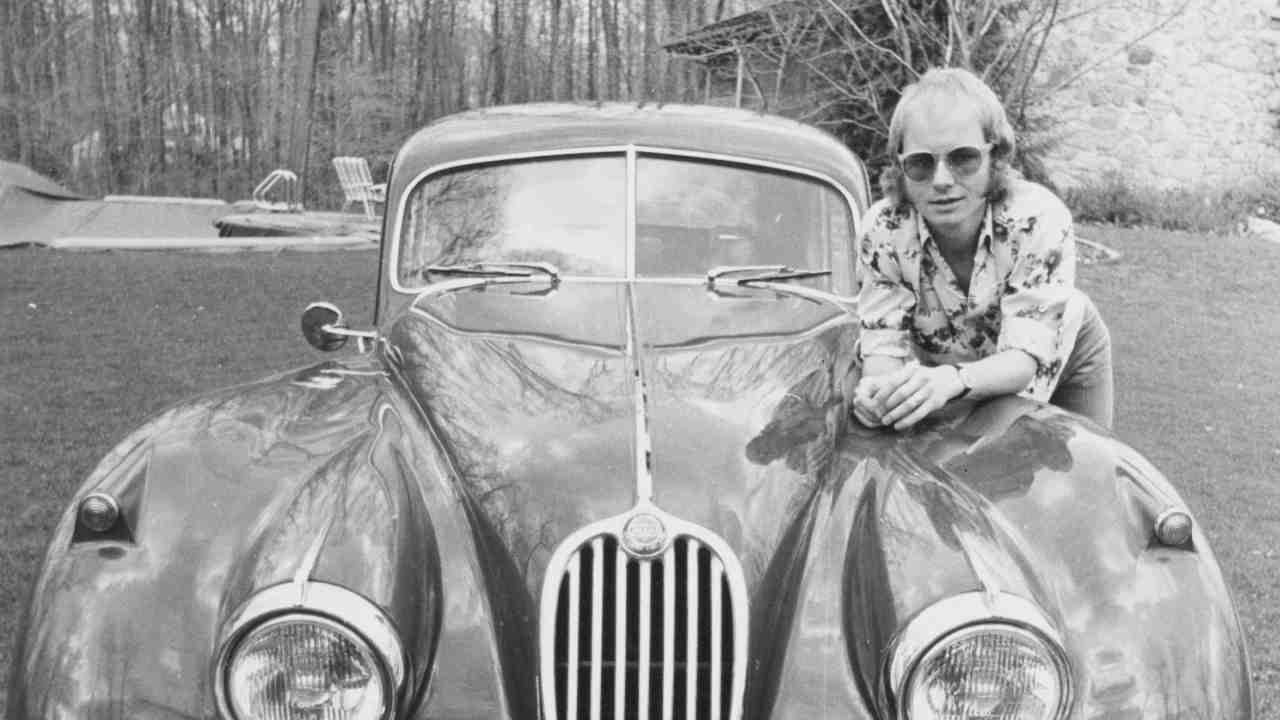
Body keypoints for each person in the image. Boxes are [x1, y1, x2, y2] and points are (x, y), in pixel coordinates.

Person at [852, 67, 1114, 431]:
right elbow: (882, 350)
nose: (942, 180)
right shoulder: (882, 229)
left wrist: (950, 380)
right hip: (953, 370)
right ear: (900, 167)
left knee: (1078, 469)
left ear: (996, 157)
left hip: (1058, 353)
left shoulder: (1038, 218)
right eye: (921, 163)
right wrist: (878, 396)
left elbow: (1021, 363)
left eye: (963, 158)